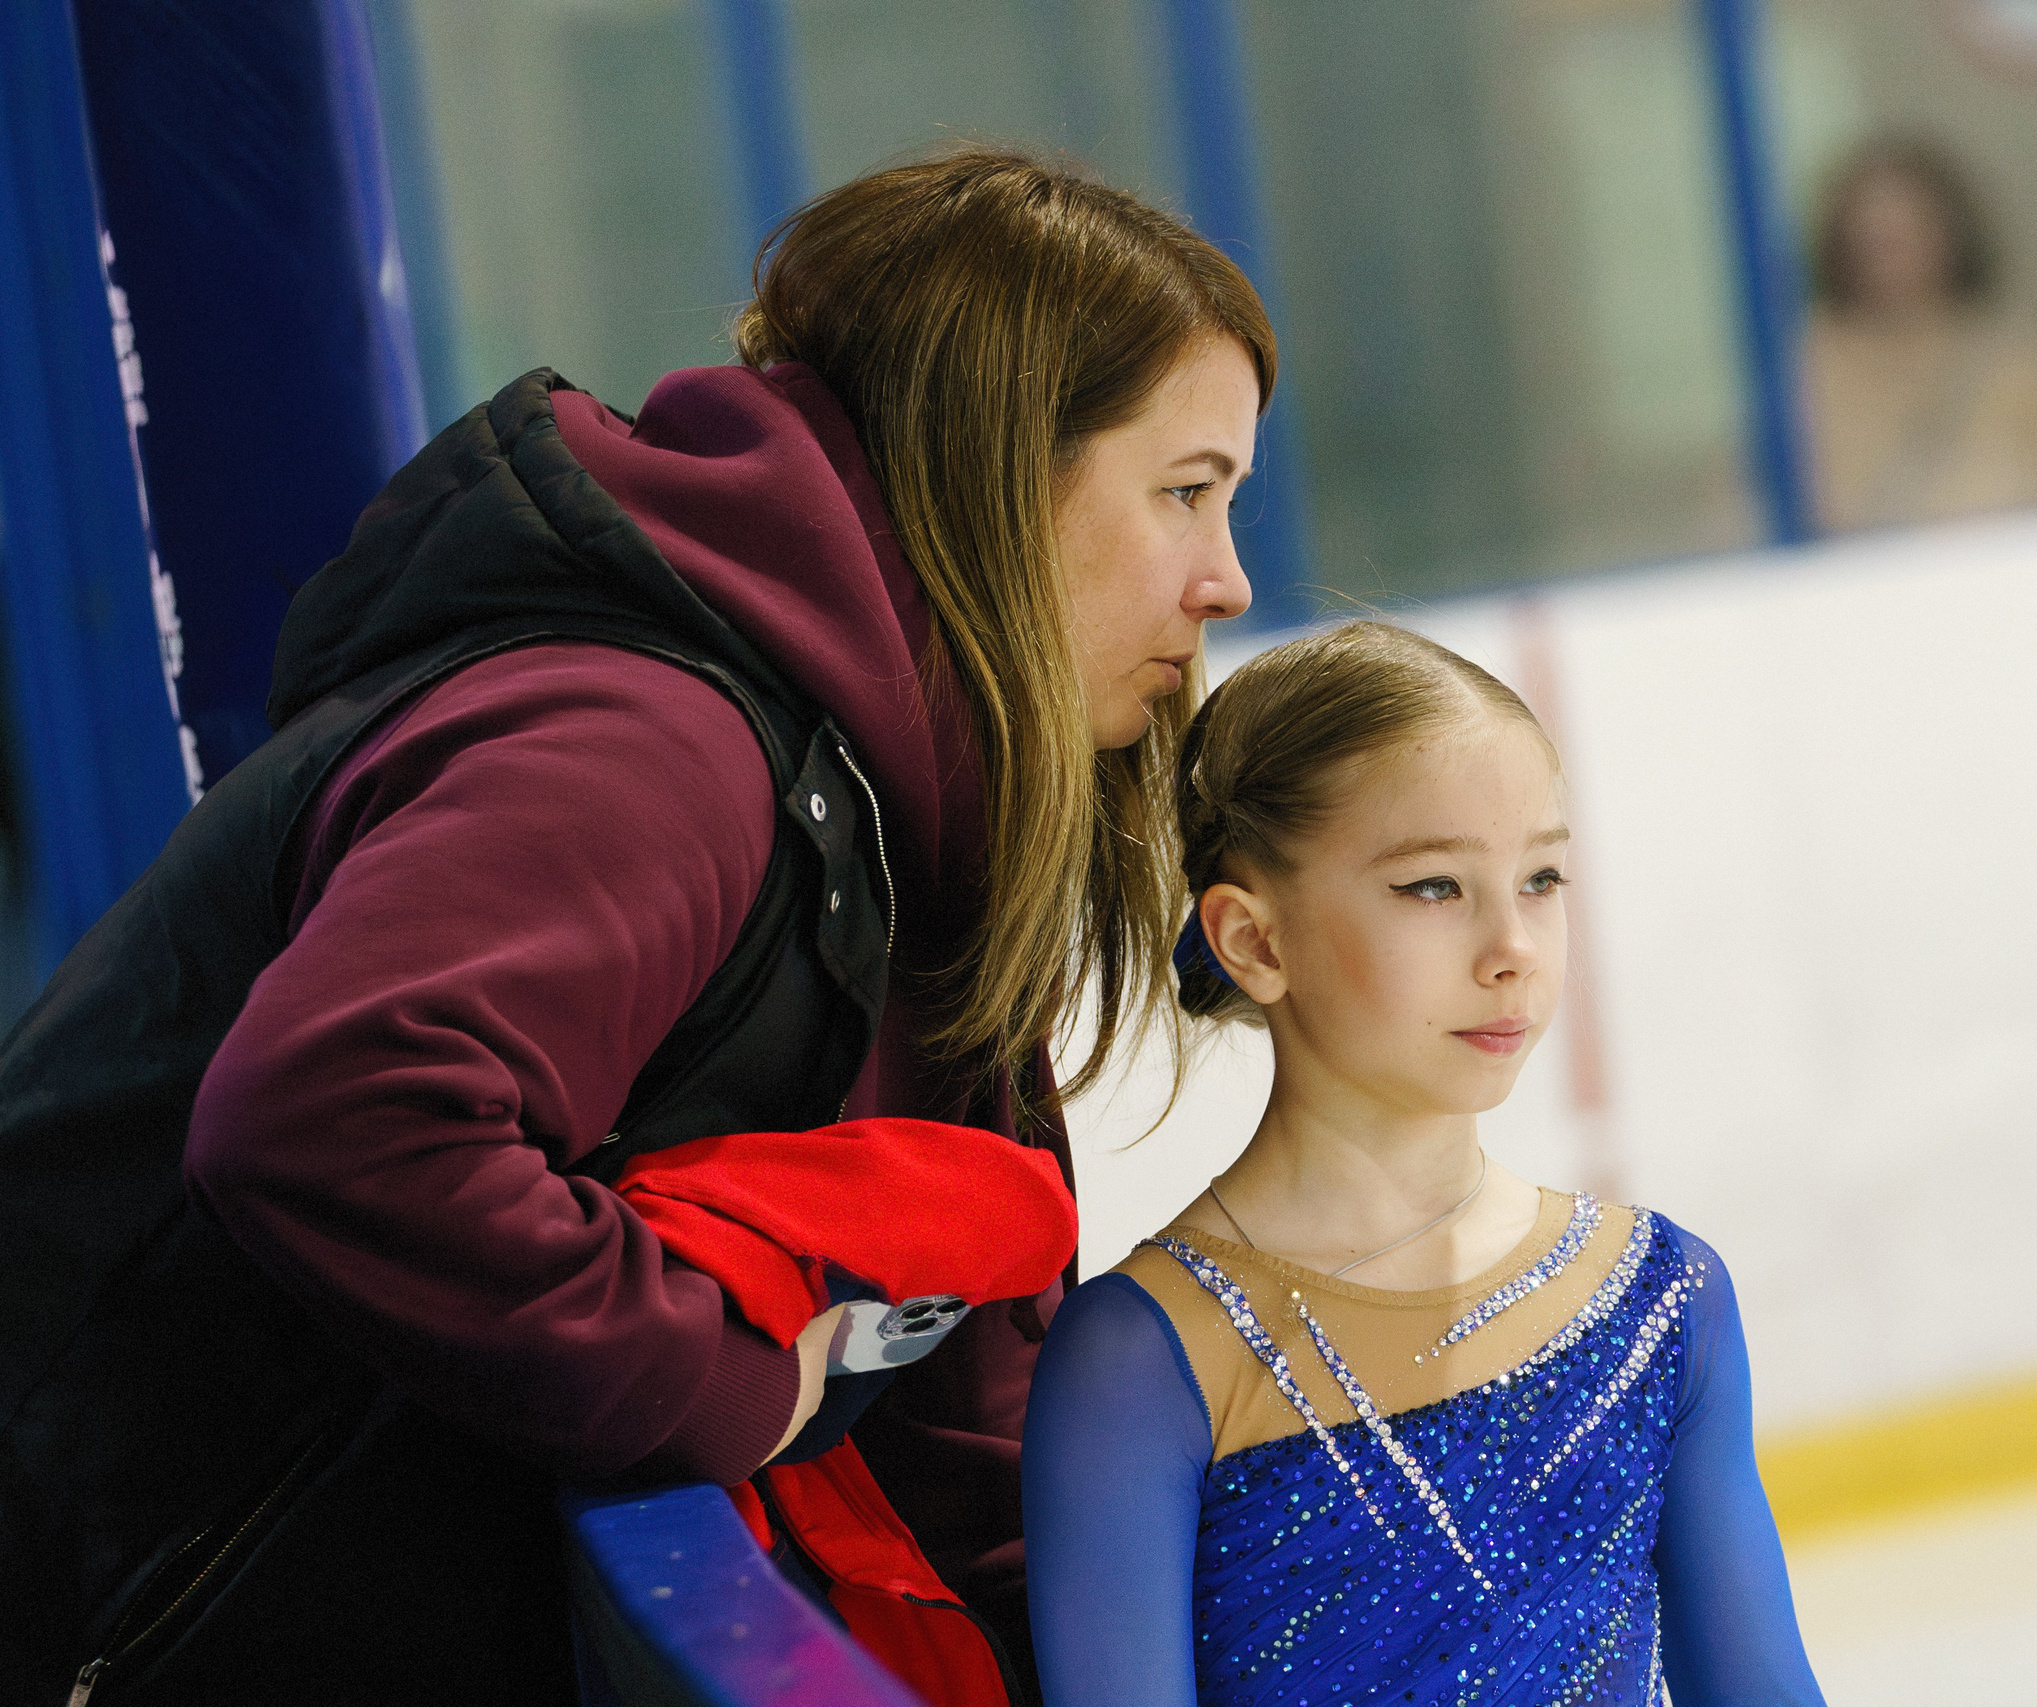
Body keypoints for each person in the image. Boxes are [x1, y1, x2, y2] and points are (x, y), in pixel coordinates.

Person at [0, 148, 1266, 1706]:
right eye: (1186, 491)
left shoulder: (908, 811)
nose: (1226, 577)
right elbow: (334, 1113)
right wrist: (719, 1378)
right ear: (995, 466)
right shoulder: (650, 741)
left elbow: (966, 1410)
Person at [1021, 622, 1827, 1705]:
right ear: (1254, 941)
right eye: (1434, 888)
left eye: (1542, 877)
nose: (1514, 949)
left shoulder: (1659, 1301)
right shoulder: (1142, 1361)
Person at [1802, 134, 2037, 533]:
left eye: (1903, 237)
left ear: (1950, 237)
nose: (1890, 259)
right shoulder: (1805, 376)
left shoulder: (2020, 370)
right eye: (1873, 242)